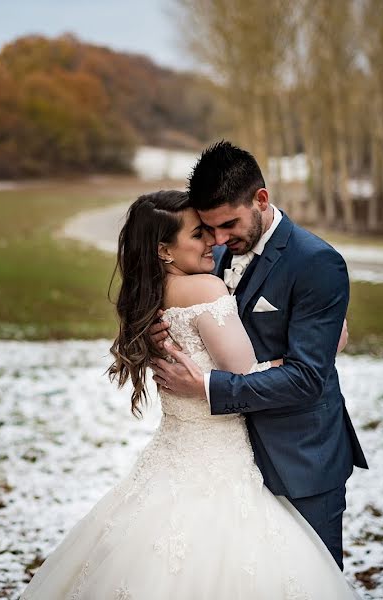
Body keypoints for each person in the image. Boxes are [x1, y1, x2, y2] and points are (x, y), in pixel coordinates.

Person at [21, 189, 358, 599]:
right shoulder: (206, 288)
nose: (213, 242)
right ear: (164, 250)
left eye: (216, 229)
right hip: (218, 457)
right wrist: (323, 347)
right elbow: (243, 370)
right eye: (200, 233)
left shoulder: (150, 292)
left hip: (185, 452)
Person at [149, 140, 368, 570]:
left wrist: (208, 387)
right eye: (209, 229)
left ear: (261, 199)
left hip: (301, 460)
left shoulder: (317, 263)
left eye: (229, 225)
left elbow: (306, 378)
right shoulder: (209, 257)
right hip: (225, 464)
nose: (218, 239)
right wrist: (156, 334)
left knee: (310, 583)